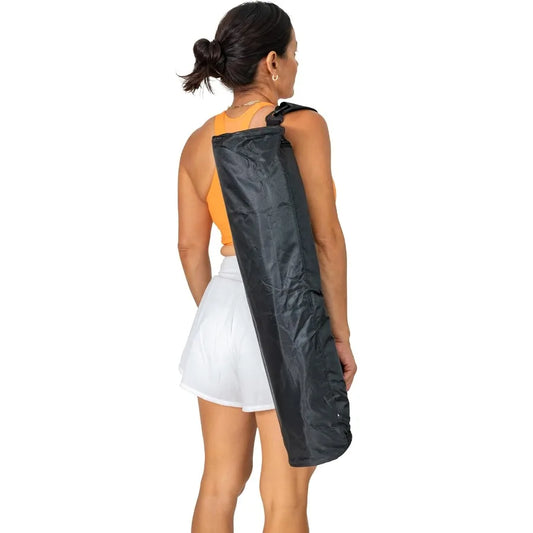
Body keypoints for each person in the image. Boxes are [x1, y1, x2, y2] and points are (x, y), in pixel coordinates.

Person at [176, 2, 357, 531]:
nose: (297, 65)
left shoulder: (197, 142)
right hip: (285, 315)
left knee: (218, 483)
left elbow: (189, 248)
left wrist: (223, 313)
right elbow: (326, 239)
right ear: (273, 62)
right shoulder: (301, 126)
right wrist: (339, 336)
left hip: (217, 316)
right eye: (295, 53)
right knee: (285, 496)